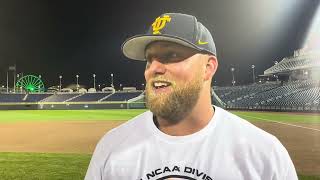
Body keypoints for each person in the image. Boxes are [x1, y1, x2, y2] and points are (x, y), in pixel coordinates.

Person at [85, 13, 298, 180]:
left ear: (208, 67)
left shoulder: (264, 153)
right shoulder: (112, 146)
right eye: (149, 60)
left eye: (172, 55)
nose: (153, 69)